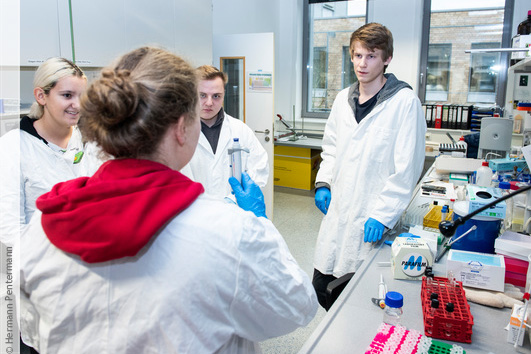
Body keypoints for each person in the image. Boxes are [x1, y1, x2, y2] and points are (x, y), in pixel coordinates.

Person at [19, 47, 317, 353]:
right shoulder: (230, 233)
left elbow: (32, 331)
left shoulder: (42, 229)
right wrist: (260, 224)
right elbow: (297, 308)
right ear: (180, 128)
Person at [313, 23, 426, 310]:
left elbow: (407, 169)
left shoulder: (404, 103)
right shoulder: (343, 99)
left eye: (372, 56)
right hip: (339, 209)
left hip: (373, 217)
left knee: (359, 300)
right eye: (357, 55)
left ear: (387, 59)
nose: (362, 64)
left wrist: (383, 214)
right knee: (323, 288)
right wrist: (324, 182)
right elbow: (331, 149)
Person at [0, 57, 102, 246]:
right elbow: (10, 229)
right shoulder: (12, 146)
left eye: (82, 96)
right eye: (67, 95)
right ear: (41, 96)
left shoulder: (92, 139)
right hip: (41, 259)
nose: (78, 105)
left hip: (90, 251)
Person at [181, 65, 268, 199]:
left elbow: (259, 167)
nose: (209, 103)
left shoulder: (240, 129)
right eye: (202, 95)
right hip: (192, 213)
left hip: (235, 211)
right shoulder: (178, 132)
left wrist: (234, 200)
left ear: (223, 95)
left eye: (216, 96)